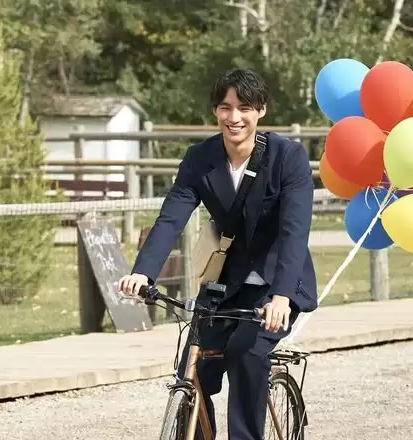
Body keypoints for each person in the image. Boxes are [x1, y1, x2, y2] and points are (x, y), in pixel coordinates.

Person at [118, 68, 318, 440]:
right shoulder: (200, 158)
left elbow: (294, 232)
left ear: (260, 110)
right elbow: (172, 216)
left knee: (246, 352)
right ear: (215, 111)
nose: (234, 117)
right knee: (192, 367)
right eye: (225, 108)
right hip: (226, 283)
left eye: (244, 107)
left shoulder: (287, 157)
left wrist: (281, 297)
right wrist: (143, 272)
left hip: (277, 283)